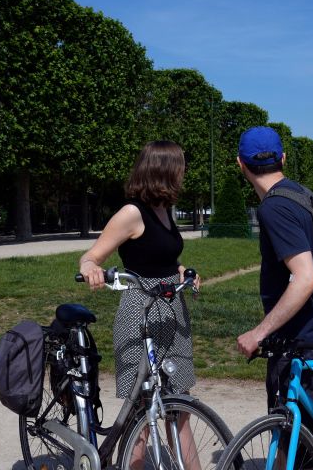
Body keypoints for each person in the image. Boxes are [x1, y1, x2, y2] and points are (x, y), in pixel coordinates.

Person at [79, 140, 200, 466]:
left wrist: (180, 271)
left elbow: (159, 256)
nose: (183, 172)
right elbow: (91, 256)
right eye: (180, 166)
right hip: (140, 313)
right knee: (141, 416)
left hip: (173, 313)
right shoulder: (132, 213)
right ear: (163, 169)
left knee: (179, 409)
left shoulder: (164, 210)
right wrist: (90, 268)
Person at [233, 126, 313, 452]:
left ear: (241, 164)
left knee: (294, 444)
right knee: (297, 443)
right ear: (283, 158)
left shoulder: (274, 207)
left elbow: (306, 277)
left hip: (299, 341)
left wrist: (259, 333)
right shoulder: (298, 194)